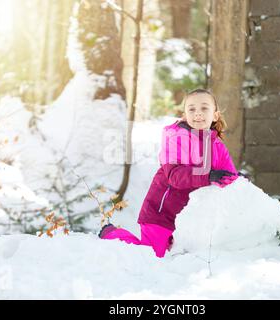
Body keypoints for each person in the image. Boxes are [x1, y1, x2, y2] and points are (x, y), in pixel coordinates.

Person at [99, 88, 242, 258]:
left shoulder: (216, 145)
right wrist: (208, 175)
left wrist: (239, 181)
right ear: (184, 115)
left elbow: (228, 175)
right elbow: (175, 175)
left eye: (204, 108)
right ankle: (112, 234)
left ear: (215, 115)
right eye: (192, 109)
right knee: (150, 254)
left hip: (187, 218)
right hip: (161, 212)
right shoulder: (176, 137)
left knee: (178, 259)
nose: (198, 113)